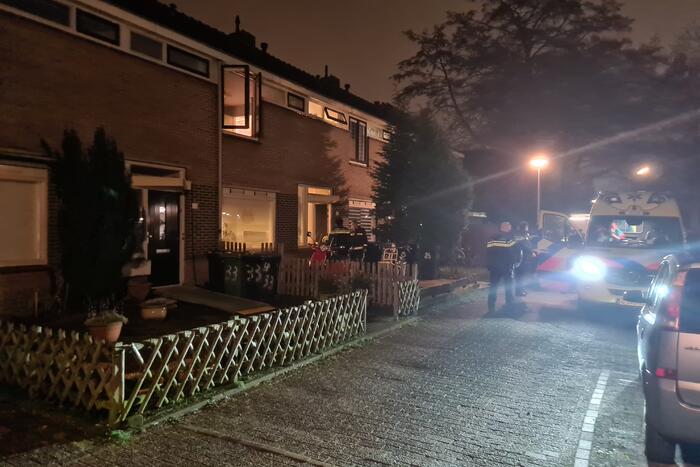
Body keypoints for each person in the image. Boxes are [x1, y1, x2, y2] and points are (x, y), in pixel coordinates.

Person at [486, 221, 519, 313]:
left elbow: (489, 252)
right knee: (508, 287)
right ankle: (509, 307)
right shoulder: (510, 238)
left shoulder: (492, 238)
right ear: (506, 228)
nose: (510, 228)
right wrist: (515, 263)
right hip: (506, 267)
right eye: (509, 226)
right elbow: (515, 251)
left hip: (495, 267)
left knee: (493, 287)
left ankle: (491, 307)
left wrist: (489, 265)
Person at [513, 221, 533, 297]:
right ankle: (518, 292)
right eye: (527, 227)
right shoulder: (519, 235)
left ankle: (521, 290)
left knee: (521, 275)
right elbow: (523, 246)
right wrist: (531, 252)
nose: (528, 228)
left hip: (524, 258)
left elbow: (527, 244)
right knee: (519, 276)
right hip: (520, 258)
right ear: (524, 227)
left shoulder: (524, 234)